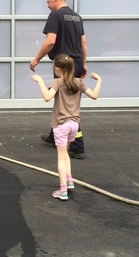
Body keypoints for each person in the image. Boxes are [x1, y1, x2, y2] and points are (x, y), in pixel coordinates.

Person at [31, 53, 102, 201]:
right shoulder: (79, 82)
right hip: (74, 125)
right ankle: (69, 181)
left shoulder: (57, 82)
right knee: (66, 154)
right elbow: (94, 95)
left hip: (61, 125)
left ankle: (62, 190)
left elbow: (47, 97)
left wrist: (40, 81)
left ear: (57, 68)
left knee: (61, 157)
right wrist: (100, 80)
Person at [30, 0, 88, 159]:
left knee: (66, 104)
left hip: (63, 66)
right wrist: (83, 64)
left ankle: (77, 146)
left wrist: (36, 59)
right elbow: (83, 42)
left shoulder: (55, 16)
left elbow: (50, 41)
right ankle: (54, 136)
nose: (48, 6)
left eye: (48, 2)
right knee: (66, 101)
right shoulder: (76, 16)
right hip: (75, 64)